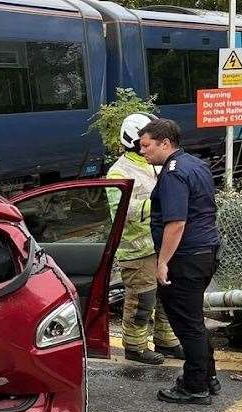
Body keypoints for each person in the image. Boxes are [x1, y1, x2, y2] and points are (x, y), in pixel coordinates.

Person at [139, 118, 221, 404]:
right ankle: (206, 377)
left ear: (165, 143)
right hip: (205, 253)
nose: (143, 151)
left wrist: (162, 262)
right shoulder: (196, 165)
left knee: (186, 325)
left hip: (184, 257)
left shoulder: (173, 173)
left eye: (147, 145)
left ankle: (195, 386)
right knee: (194, 320)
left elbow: (176, 224)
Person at [106, 113, 183, 365]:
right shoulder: (118, 172)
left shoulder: (158, 163)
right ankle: (135, 346)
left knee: (167, 295)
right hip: (138, 249)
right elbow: (123, 210)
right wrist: (162, 203)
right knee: (142, 300)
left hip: (162, 245)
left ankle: (166, 339)